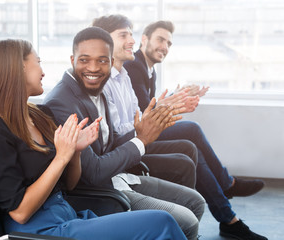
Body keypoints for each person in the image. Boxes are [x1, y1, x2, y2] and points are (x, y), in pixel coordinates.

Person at [0, 38, 186, 240]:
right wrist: (61, 158)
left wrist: (74, 152)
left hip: (67, 215)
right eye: (38, 63)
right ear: (18, 68)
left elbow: (69, 184)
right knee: (161, 222)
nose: (43, 71)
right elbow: (20, 213)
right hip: (39, 230)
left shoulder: (39, 115)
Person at [44, 27, 206, 239]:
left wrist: (143, 128)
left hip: (117, 177)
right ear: (73, 59)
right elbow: (92, 173)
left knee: (196, 203)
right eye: (84, 60)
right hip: (96, 192)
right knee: (187, 221)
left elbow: (108, 145)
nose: (93, 68)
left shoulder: (96, 89)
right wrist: (141, 139)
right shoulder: (61, 102)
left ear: (111, 62)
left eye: (102, 60)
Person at [124, 20, 267, 240]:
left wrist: (179, 96)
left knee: (192, 140)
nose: (165, 47)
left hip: (143, 132)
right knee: (191, 130)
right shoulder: (134, 67)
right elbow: (147, 115)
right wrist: (177, 99)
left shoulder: (149, 70)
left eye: (169, 43)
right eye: (160, 39)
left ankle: (228, 208)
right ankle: (227, 190)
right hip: (135, 138)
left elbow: (151, 109)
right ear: (144, 39)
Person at [93, 14, 200, 191]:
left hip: (135, 140)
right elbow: (117, 135)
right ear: (103, 40)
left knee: (188, 148)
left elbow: (138, 115)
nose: (132, 41)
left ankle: (179, 203)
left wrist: (158, 112)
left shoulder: (124, 76)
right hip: (123, 152)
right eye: (123, 35)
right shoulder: (104, 82)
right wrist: (155, 114)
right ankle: (182, 209)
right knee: (184, 164)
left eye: (130, 35)